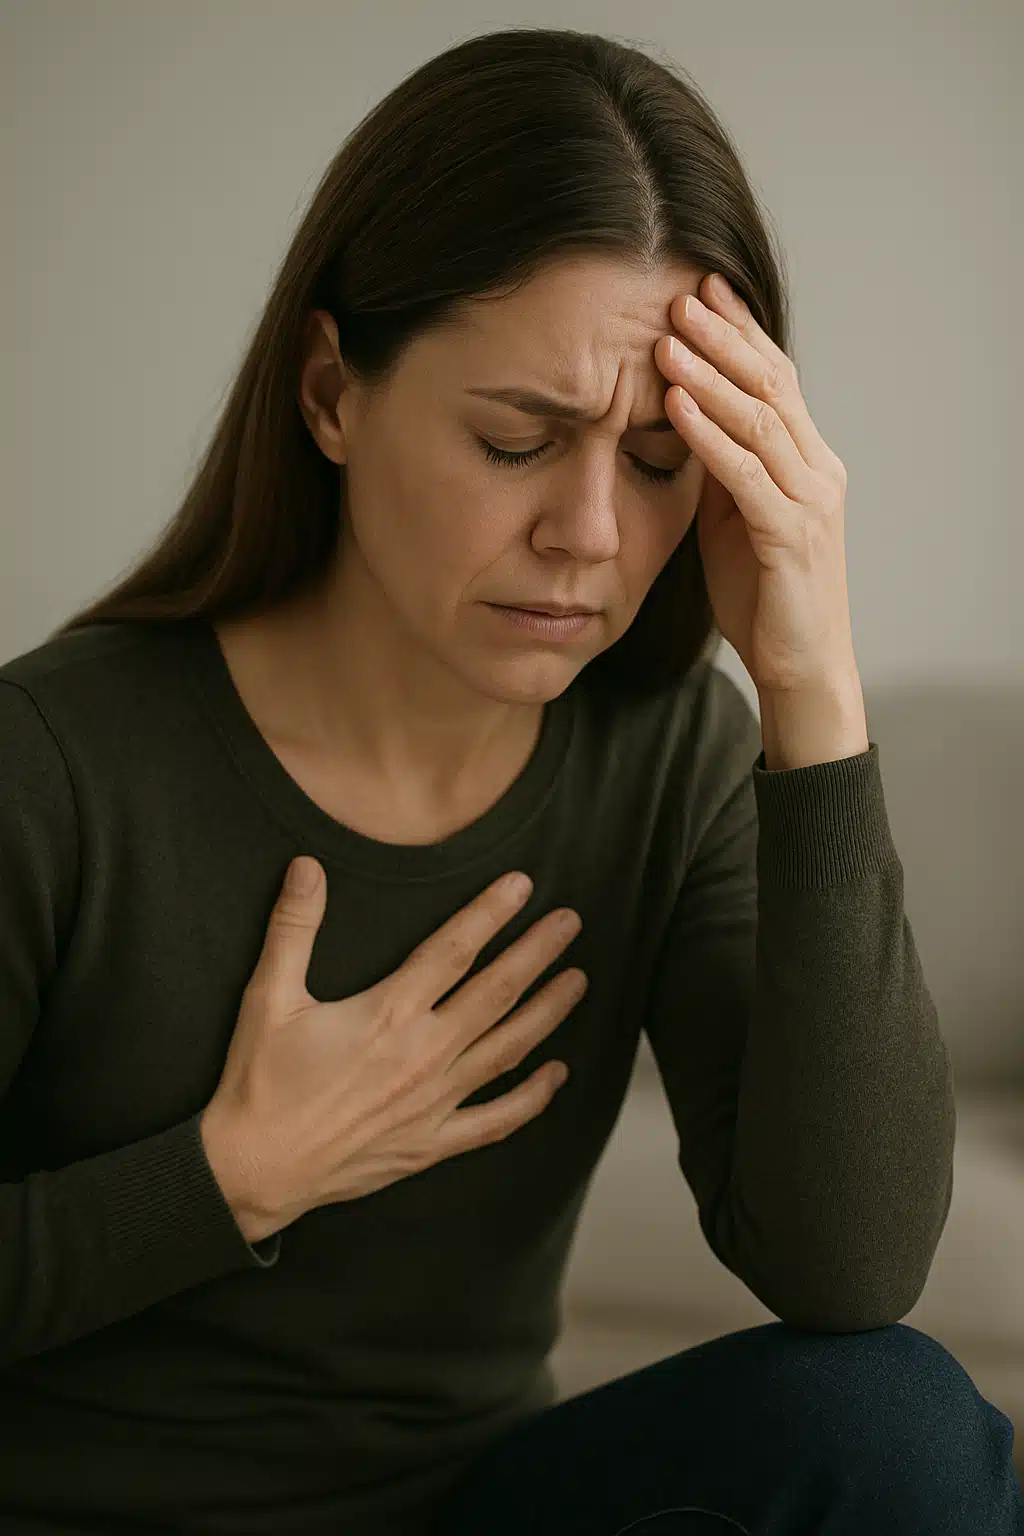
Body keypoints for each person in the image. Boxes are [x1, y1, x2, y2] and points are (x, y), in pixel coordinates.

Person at [1, 24, 1019, 1536]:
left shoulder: (670, 757)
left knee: (894, 1422)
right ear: (334, 392)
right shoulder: (54, 761)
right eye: (518, 440)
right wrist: (234, 1173)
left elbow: (848, 1269)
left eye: (664, 459)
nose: (592, 533)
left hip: (470, 1508)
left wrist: (810, 683)